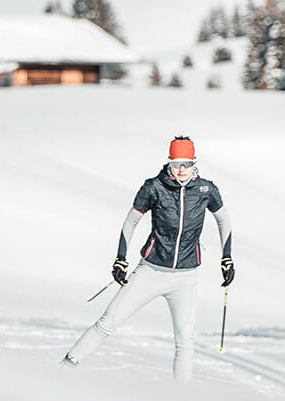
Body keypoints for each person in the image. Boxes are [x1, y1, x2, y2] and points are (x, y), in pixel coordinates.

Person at [62, 136, 234, 383]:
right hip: (151, 271)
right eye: (176, 164)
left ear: (194, 163)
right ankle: (64, 368)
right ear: (169, 163)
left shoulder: (206, 190)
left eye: (186, 163)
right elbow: (131, 221)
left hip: (186, 277)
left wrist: (226, 258)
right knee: (107, 323)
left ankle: (181, 399)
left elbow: (223, 218)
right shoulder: (154, 187)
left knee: (185, 340)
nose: (181, 169)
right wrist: (121, 258)